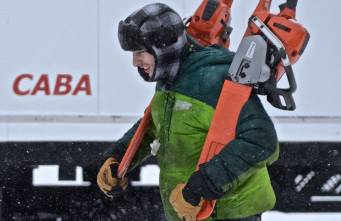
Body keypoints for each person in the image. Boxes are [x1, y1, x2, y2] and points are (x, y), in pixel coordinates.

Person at [97, 3, 278, 221]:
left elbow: (261, 141)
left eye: (140, 52)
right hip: (192, 213)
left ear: (164, 46)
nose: (135, 62)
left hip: (230, 213)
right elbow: (155, 126)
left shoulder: (214, 80)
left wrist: (203, 185)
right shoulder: (169, 80)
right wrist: (119, 155)